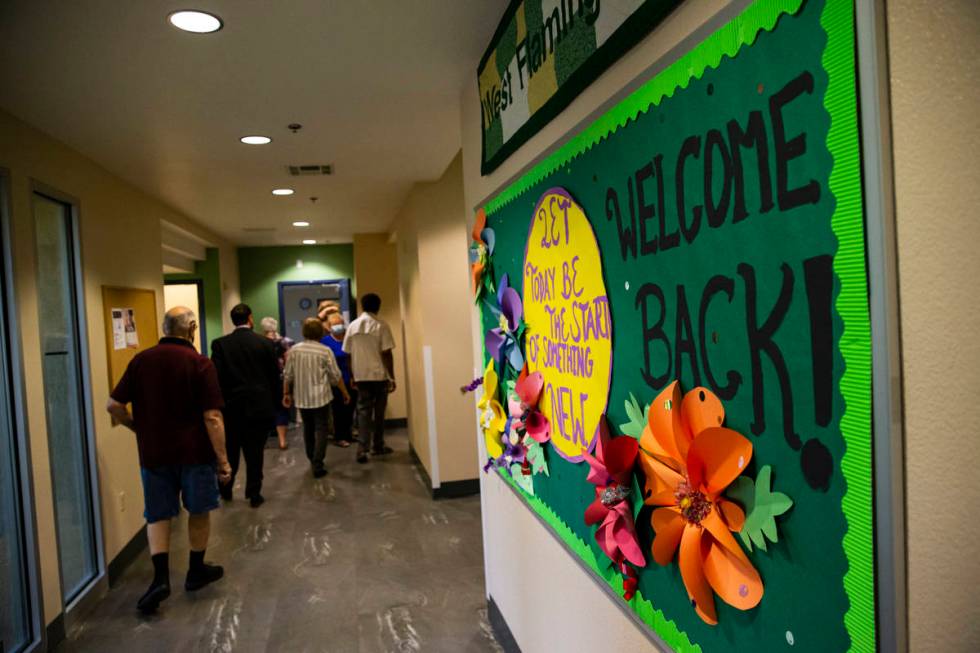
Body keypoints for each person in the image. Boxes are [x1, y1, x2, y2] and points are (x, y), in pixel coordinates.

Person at [106, 306, 231, 615]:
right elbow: (212, 416)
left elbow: (113, 405)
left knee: (158, 515)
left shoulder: (141, 360)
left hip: (154, 453)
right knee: (199, 511)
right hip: (194, 454)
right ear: (190, 328)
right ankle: (195, 571)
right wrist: (223, 461)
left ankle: (160, 579)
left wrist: (139, 427)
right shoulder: (200, 363)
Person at [210, 304, 281, 508]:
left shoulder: (220, 345)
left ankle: (226, 489)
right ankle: (254, 493)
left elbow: (217, 377)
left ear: (233, 320)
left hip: (231, 408)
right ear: (250, 318)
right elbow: (273, 377)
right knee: (255, 452)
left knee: (230, 450)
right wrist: (275, 404)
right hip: (259, 407)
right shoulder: (266, 343)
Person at [283, 318, 351, 477]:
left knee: (308, 427)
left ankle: (311, 457)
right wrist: (345, 392)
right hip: (321, 397)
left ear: (304, 332)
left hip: (302, 398)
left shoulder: (294, 350)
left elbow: (288, 375)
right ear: (320, 332)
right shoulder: (325, 350)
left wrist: (286, 393)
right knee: (322, 428)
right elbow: (336, 376)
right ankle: (317, 462)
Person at [343, 293, 396, 464]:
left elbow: (348, 354)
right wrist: (392, 377)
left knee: (363, 413)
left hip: (361, 376)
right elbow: (387, 353)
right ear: (378, 306)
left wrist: (352, 375)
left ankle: (361, 449)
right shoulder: (381, 325)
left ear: (363, 306)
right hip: (379, 376)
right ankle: (378, 446)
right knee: (379, 412)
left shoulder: (352, 326)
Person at [320, 312, 355, 447]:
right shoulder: (325, 342)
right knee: (338, 410)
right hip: (334, 382)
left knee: (350, 408)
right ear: (329, 327)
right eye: (335, 325)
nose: (338, 327)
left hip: (350, 379)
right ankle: (339, 436)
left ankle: (348, 434)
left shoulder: (348, 338)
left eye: (340, 323)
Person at [260, 316, 294, 450]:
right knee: (282, 409)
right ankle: (282, 441)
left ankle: (262, 442)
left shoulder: (259, 342)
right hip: (281, 380)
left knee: (265, 409)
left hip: (264, 381)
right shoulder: (287, 342)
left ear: (263, 329)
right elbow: (289, 363)